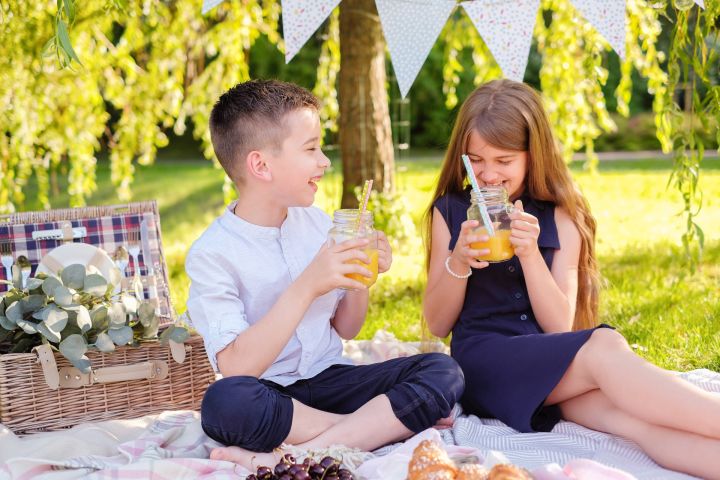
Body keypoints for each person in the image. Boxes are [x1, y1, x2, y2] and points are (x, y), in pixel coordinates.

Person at [422, 78, 720, 479]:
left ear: (533, 154)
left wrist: (530, 254)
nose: (487, 174)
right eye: (475, 160)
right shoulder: (451, 211)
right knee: (603, 344)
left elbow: (559, 325)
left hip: (552, 369)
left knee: (633, 423)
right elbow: (438, 324)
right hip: (484, 366)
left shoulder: (561, 215)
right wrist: (457, 260)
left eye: (504, 161)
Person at [185, 79, 464, 469]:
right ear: (260, 165)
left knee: (442, 369)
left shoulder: (318, 225)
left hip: (333, 379)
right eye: (311, 148)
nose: (324, 161)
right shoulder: (212, 254)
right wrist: (308, 284)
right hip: (272, 395)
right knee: (224, 404)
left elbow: (347, 329)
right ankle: (374, 428)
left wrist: (360, 281)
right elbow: (236, 368)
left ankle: (300, 453)